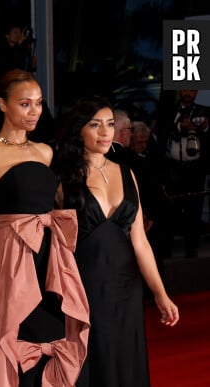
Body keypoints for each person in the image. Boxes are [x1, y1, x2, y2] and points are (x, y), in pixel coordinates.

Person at [53, 96, 179, 387]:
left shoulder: (127, 173)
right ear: (78, 130)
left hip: (126, 286)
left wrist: (160, 293)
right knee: (92, 358)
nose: (104, 132)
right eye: (95, 125)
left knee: (125, 358)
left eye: (109, 124)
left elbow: (140, 242)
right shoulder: (62, 177)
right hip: (84, 285)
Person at [0, 68, 90, 387]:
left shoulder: (45, 152)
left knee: (54, 332)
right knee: (17, 333)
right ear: (2, 104)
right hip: (12, 261)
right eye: (24, 104)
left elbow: (54, 204)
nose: (34, 111)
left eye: (39, 103)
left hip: (50, 259)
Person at [156, 89, 209, 258]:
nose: (188, 93)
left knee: (195, 210)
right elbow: (161, 130)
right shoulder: (169, 110)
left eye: (192, 90)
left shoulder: (204, 110)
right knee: (171, 209)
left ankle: (192, 250)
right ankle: (166, 250)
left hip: (196, 169)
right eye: (185, 89)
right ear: (179, 91)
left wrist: (205, 126)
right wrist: (180, 126)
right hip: (173, 167)